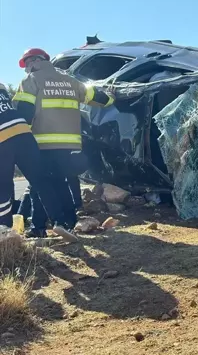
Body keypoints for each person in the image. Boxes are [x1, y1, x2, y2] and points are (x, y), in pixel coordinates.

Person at [13, 48, 113, 238]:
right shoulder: (71, 82)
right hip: (69, 145)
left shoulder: (31, 81)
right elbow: (102, 99)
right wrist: (112, 95)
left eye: (26, 65)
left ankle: (38, 228)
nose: (26, 70)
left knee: (38, 186)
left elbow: (23, 114)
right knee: (60, 182)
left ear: (34, 61)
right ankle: (68, 222)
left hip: (42, 144)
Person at [0, 82, 77, 242]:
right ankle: (59, 222)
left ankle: (5, 231)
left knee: (4, 186)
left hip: (2, 139)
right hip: (23, 132)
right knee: (41, 181)